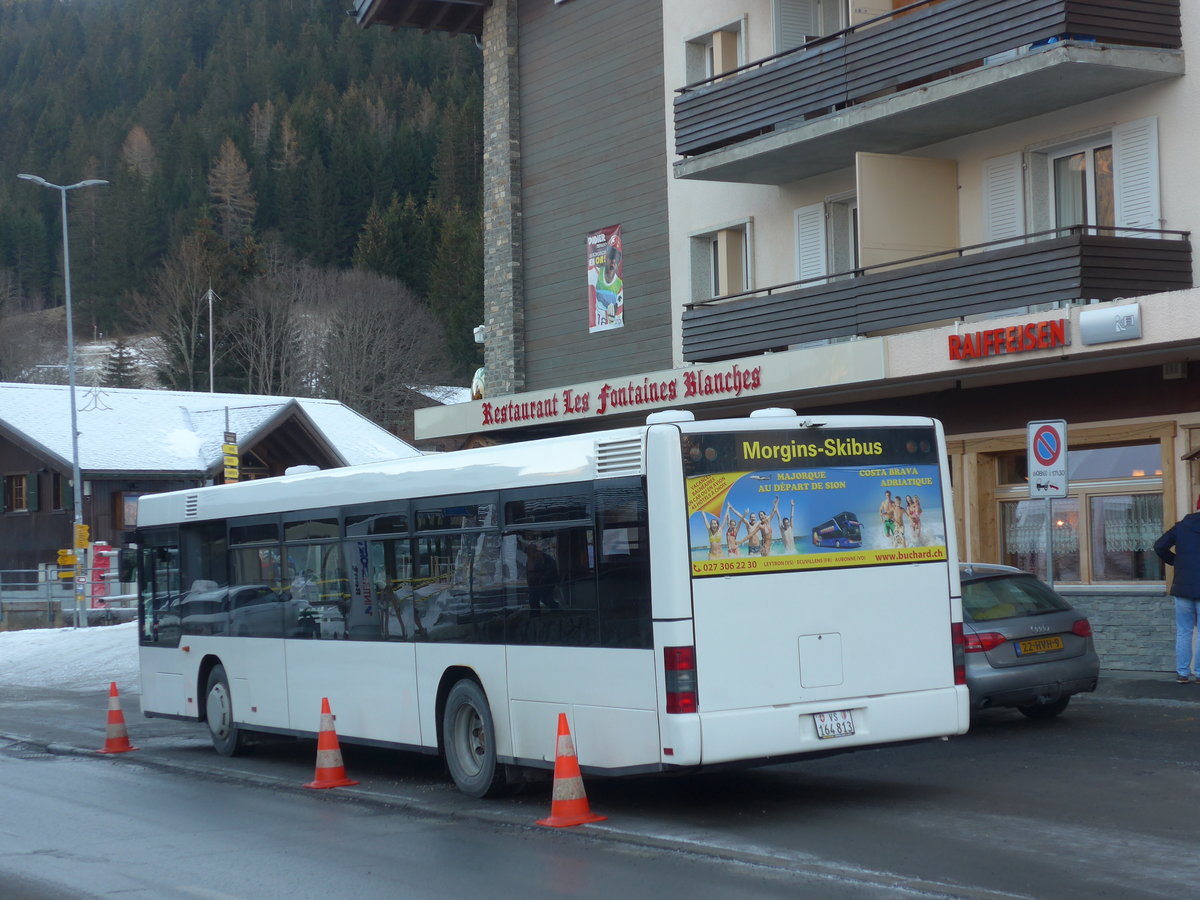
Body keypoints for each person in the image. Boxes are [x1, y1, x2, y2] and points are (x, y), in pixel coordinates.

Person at [1154, 499, 1200, 683]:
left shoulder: (1181, 526)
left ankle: (1182, 673)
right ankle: (1199, 673)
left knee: (1184, 631)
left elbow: (1159, 546)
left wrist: (1176, 561)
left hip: (1182, 586)